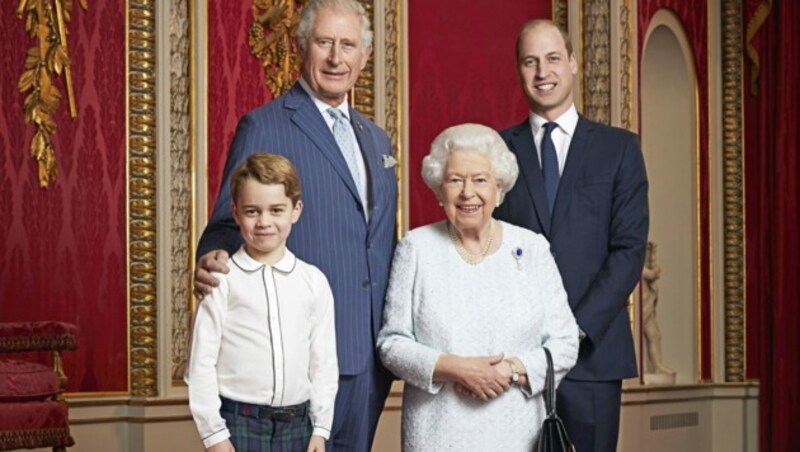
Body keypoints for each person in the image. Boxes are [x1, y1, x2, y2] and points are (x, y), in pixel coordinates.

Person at [193, 1, 398, 450]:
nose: (335, 58)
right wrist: (211, 256)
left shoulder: (376, 139)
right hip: (300, 359)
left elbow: (379, 242)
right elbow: (228, 224)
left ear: (364, 57)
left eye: (348, 45)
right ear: (302, 46)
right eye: (324, 42)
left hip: (370, 356)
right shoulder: (265, 125)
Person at [493, 19, 649, 452]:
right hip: (516, 360)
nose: (543, 72)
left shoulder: (619, 150)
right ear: (519, 71)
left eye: (553, 58)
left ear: (574, 63)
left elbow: (628, 251)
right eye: (530, 61)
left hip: (593, 358)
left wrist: (572, 333)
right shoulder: (496, 152)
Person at [377, 123, 579, 451]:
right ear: (439, 189)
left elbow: (566, 342)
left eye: (480, 180)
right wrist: (457, 369)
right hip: (437, 432)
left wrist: (510, 370)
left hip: (517, 431)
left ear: (499, 188)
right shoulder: (416, 247)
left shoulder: (531, 248)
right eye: (455, 180)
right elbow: (392, 344)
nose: (467, 192)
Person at [187, 153, 338, 452]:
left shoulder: (313, 281)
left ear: (296, 210)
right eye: (252, 211)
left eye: (276, 210)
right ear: (235, 212)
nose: (264, 222)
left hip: (299, 425)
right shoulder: (223, 279)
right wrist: (214, 435)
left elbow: (323, 364)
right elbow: (201, 363)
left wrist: (320, 428)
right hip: (237, 423)